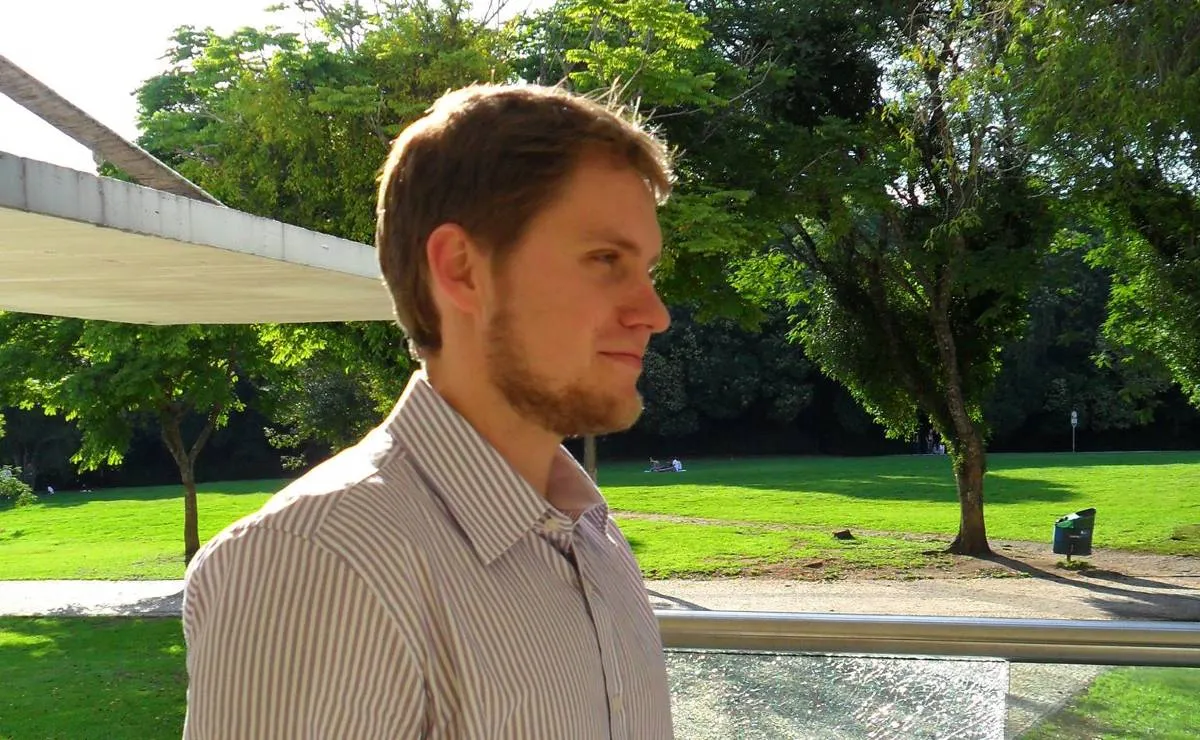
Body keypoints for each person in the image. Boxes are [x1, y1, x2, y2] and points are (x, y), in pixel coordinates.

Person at [181, 83, 676, 739]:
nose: (654, 314)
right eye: (606, 260)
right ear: (462, 269)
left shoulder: (594, 541)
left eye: (647, 270)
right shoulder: (320, 560)